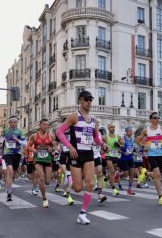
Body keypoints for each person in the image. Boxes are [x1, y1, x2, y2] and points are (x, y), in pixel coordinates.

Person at [56, 90, 107, 225]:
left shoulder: (94, 120)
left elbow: (95, 137)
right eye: (86, 99)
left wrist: (102, 144)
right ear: (80, 101)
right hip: (76, 154)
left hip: (88, 154)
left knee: (90, 184)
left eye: (90, 99)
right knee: (78, 188)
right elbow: (59, 132)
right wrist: (70, 147)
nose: (89, 102)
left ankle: (82, 214)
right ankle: (70, 179)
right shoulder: (74, 117)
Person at [136, 112, 162, 206]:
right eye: (155, 118)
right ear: (150, 119)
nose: (157, 119)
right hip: (151, 155)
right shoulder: (146, 130)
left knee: (158, 175)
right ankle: (161, 197)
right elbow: (138, 140)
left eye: (158, 118)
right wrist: (143, 146)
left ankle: (145, 172)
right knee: (157, 174)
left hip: (160, 155)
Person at [25, 119, 56, 208]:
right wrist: (33, 150)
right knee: (41, 178)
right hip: (38, 159)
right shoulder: (34, 136)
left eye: (47, 124)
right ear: (40, 125)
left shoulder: (51, 136)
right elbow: (28, 147)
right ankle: (44, 199)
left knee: (48, 182)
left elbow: (56, 146)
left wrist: (52, 150)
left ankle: (41, 184)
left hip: (47, 159)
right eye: (44, 124)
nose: (46, 126)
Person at [1, 116, 27, 202]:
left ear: (17, 123)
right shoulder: (5, 131)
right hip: (8, 153)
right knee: (10, 171)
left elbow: (25, 143)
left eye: (15, 122)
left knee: (13, 175)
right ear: (9, 123)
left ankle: (8, 185)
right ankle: (9, 192)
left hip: (17, 154)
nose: (13, 123)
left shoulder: (20, 131)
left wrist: (17, 140)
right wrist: (2, 138)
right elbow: (1, 141)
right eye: (11, 122)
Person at [103, 123, 123, 195]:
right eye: (111, 127)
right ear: (108, 128)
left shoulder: (117, 136)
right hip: (108, 155)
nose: (113, 128)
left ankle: (105, 179)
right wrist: (104, 147)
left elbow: (122, 144)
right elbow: (101, 144)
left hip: (115, 156)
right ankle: (114, 189)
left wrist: (119, 143)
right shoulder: (105, 137)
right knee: (111, 171)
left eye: (114, 127)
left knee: (114, 171)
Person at [118, 126, 136, 195]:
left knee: (132, 172)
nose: (131, 132)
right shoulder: (123, 139)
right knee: (126, 174)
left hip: (130, 158)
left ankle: (129, 188)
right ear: (126, 131)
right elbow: (118, 149)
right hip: (123, 159)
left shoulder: (132, 139)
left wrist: (135, 150)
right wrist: (123, 152)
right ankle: (118, 175)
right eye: (130, 131)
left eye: (131, 131)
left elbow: (132, 148)